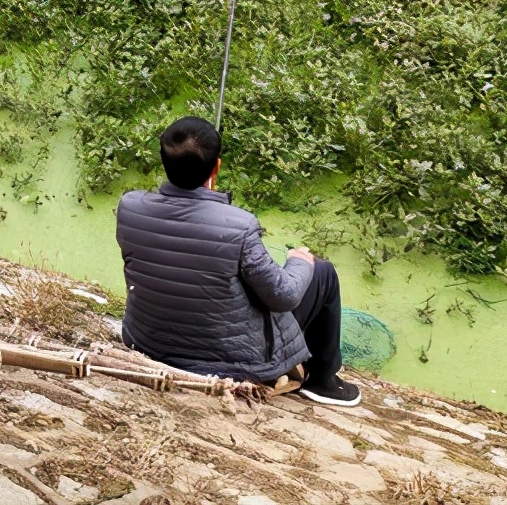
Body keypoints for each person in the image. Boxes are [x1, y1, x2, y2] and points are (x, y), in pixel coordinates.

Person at [115, 115, 361, 407]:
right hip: (229, 362)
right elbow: (285, 296)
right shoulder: (240, 225)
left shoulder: (129, 207)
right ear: (216, 168)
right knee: (322, 272)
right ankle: (323, 381)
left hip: (146, 342)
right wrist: (299, 261)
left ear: (163, 160)